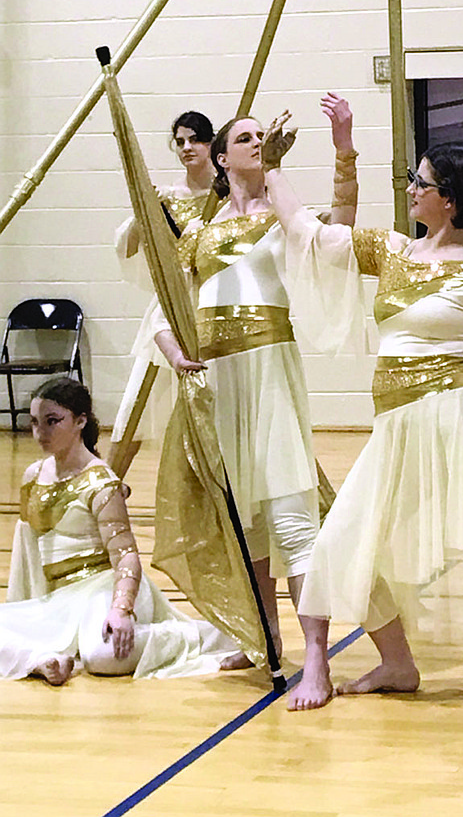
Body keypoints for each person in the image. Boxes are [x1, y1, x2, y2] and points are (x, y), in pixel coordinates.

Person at [261, 123, 463, 711]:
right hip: (394, 428)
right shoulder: (390, 251)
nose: (412, 189)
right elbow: (309, 233)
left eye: (422, 182)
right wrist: (274, 169)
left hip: (458, 425)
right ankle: (382, 662)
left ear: (450, 199)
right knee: (340, 540)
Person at [152, 93, 358, 671]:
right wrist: (175, 352)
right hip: (219, 376)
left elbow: (337, 232)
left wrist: (343, 149)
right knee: (244, 518)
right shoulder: (196, 230)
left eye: (260, 135)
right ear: (220, 159)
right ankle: (264, 638)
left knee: (290, 510)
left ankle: (316, 655)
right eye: (244, 137)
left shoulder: (282, 211)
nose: (256, 141)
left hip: (268, 364)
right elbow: (168, 311)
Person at [0, 376, 235, 684]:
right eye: (34, 423)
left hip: (104, 588)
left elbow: (126, 556)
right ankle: (43, 660)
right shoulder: (34, 475)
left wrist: (121, 609)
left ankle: (204, 635)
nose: (40, 433)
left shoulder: (102, 482)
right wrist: (25, 609)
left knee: (102, 655)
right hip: (62, 600)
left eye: (52, 421)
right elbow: (28, 548)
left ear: (80, 421)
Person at [110, 111, 220, 472]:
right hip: (172, 305)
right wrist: (146, 212)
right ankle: (110, 484)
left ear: (210, 143)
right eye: (181, 141)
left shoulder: (228, 194)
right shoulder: (168, 197)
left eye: (195, 139)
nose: (187, 148)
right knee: (136, 402)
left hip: (218, 303)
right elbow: (128, 247)